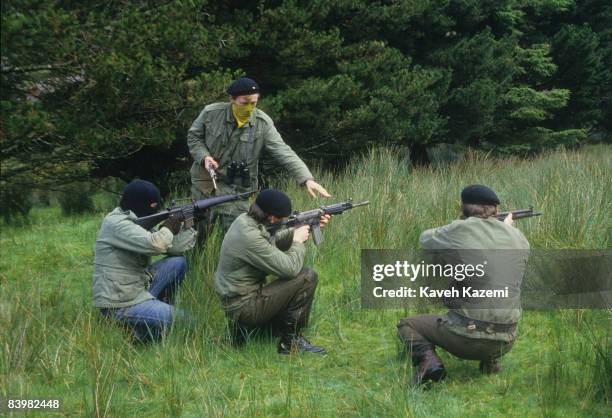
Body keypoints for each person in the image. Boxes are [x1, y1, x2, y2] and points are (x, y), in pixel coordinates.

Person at [397, 184, 530, 385]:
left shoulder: (460, 228)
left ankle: (430, 365)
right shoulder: (519, 238)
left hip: (464, 340)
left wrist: (458, 225)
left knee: (407, 325)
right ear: (496, 210)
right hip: (507, 339)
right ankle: (491, 363)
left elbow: (425, 238)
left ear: (464, 208)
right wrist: (506, 228)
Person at [187, 77, 330, 233]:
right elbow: (194, 137)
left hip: (236, 190)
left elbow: (283, 151)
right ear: (232, 99)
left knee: (239, 234)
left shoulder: (262, 123)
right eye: (244, 103)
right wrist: (204, 157)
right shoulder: (211, 113)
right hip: (205, 185)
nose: (249, 108)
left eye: (253, 103)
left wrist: (306, 179)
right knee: (198, 233)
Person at [214, 189, 330, 354]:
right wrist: (297, 241)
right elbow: (290, 269)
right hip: (245, 308)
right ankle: (290, 343)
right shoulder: (250, 237)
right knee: (307, 277)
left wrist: (305, 229)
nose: (284, 221)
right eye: (282, 219)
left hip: (237, 303)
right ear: (272, 218)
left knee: (301, 277)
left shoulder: (245, 221)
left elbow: (270, 243)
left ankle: (246, 331)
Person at [92, 179, 197, 342]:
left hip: (138, 289)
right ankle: (137, 332)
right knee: (189, 321)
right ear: (143, 205)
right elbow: (157, 244)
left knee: (178, 263)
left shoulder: (135, 218)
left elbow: (175, 249)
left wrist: (188, 224)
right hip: (121, 303)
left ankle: (154, 314)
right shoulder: (117, 224)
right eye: (154, 206)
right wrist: (168, 226)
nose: (157, 209)